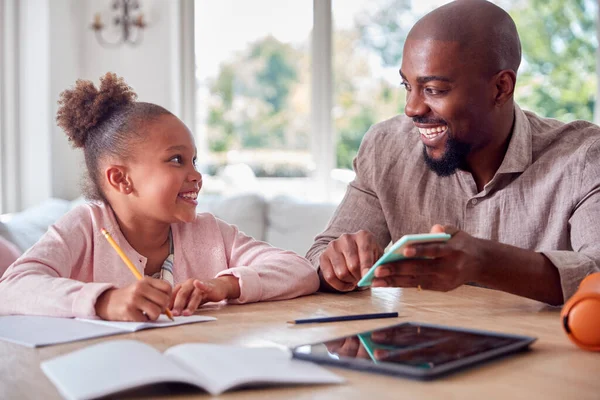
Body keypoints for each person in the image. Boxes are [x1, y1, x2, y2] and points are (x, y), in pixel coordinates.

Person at [306, 0, 600, 306]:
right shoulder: (386, 148)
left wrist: (485, 261)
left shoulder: (584, 158)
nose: (412, 108)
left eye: (433, 89)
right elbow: (319, 256)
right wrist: (338, 264)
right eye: (407, 86)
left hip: (549, 353)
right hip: (420, 351)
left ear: (501, 88)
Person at [0, 72, 319, 321]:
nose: (196, 175)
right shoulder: (84, 227)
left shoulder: (208, 232)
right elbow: (11, 289)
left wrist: (224, 285)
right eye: (176, 160)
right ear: (121, 179)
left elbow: (300, 271)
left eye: (194, 161)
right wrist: (106, 300)